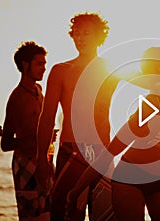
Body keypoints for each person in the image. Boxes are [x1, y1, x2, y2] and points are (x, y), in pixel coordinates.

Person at [65, 47, 160, 221]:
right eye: (151, 69)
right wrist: (75, 191)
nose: (157, 73)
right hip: (130, 179)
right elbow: (110, 152)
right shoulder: (148, 108)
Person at [36, 12, 117, 221]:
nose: (79, 39)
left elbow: (144, 83)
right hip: (71, 151)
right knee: (66, 214)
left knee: (106, 216)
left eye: (86, 33)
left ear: (99, 37)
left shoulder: (111, 70)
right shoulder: (61, 71)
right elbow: (47, 117)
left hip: (103, 152)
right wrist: (42, 160)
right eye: (76, 34)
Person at [0, 41, 50, 220]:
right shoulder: (17, 98)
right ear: (24, 65)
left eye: (44, 63)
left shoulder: (38, 90)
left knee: (48, 215)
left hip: (43, 162)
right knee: (31, 217)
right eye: (39, 63)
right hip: (25, 165)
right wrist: (33, 139)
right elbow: (5, 144)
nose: (44, 68)